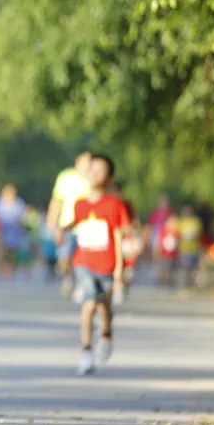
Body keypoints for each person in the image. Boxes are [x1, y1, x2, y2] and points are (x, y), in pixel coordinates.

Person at [66, 153, 128, 376]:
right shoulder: (80, 204)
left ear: (109, 178)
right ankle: (86, 352)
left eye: (99, 170)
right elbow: (77, 228)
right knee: (90, 303)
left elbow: (119, 236)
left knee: (104, 307)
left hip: (107, 265)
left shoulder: (114, 205)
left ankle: (107, 333)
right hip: (83, 262)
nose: (93, 173)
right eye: (91, 169)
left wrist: (120, 269)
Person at [47, 151, 93, 297]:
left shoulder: (93, 179)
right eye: (84, 162)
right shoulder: (66, 177)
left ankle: (80, 283)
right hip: (66, 224)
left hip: (86, 227)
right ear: (77, 162)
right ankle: (68, 278)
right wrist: (52, 219)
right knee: (64, 257)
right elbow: (57, 200)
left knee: (83, 259)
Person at [0, 184, 27, 278]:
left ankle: (10, 268)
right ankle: (1, 268)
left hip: (14, 230)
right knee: (1, 249)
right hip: (1, 229)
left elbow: (22, 216)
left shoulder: (18, 203)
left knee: (11, 251)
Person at [178, 204, 203, 288]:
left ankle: (192, 282)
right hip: (184, 249)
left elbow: (197, 233)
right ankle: (186, 283)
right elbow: (178, 235)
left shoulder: (196, 221)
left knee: (193, 267)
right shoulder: (180, 223)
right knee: (185, 267)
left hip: (194, 248)